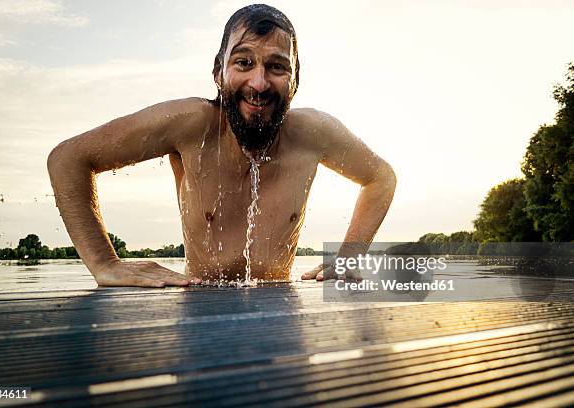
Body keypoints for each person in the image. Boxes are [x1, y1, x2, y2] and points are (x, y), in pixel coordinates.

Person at [47, 4, 396, 287]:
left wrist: (350, 254)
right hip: (199, 299)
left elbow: (381, 178)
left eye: (277, 67)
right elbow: (69, 159)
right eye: (243, 62)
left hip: (280, 308)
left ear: (295, 79)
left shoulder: (313, 132)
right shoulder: (190, 123)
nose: (258, 83)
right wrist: (105, 262)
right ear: (218, 71)